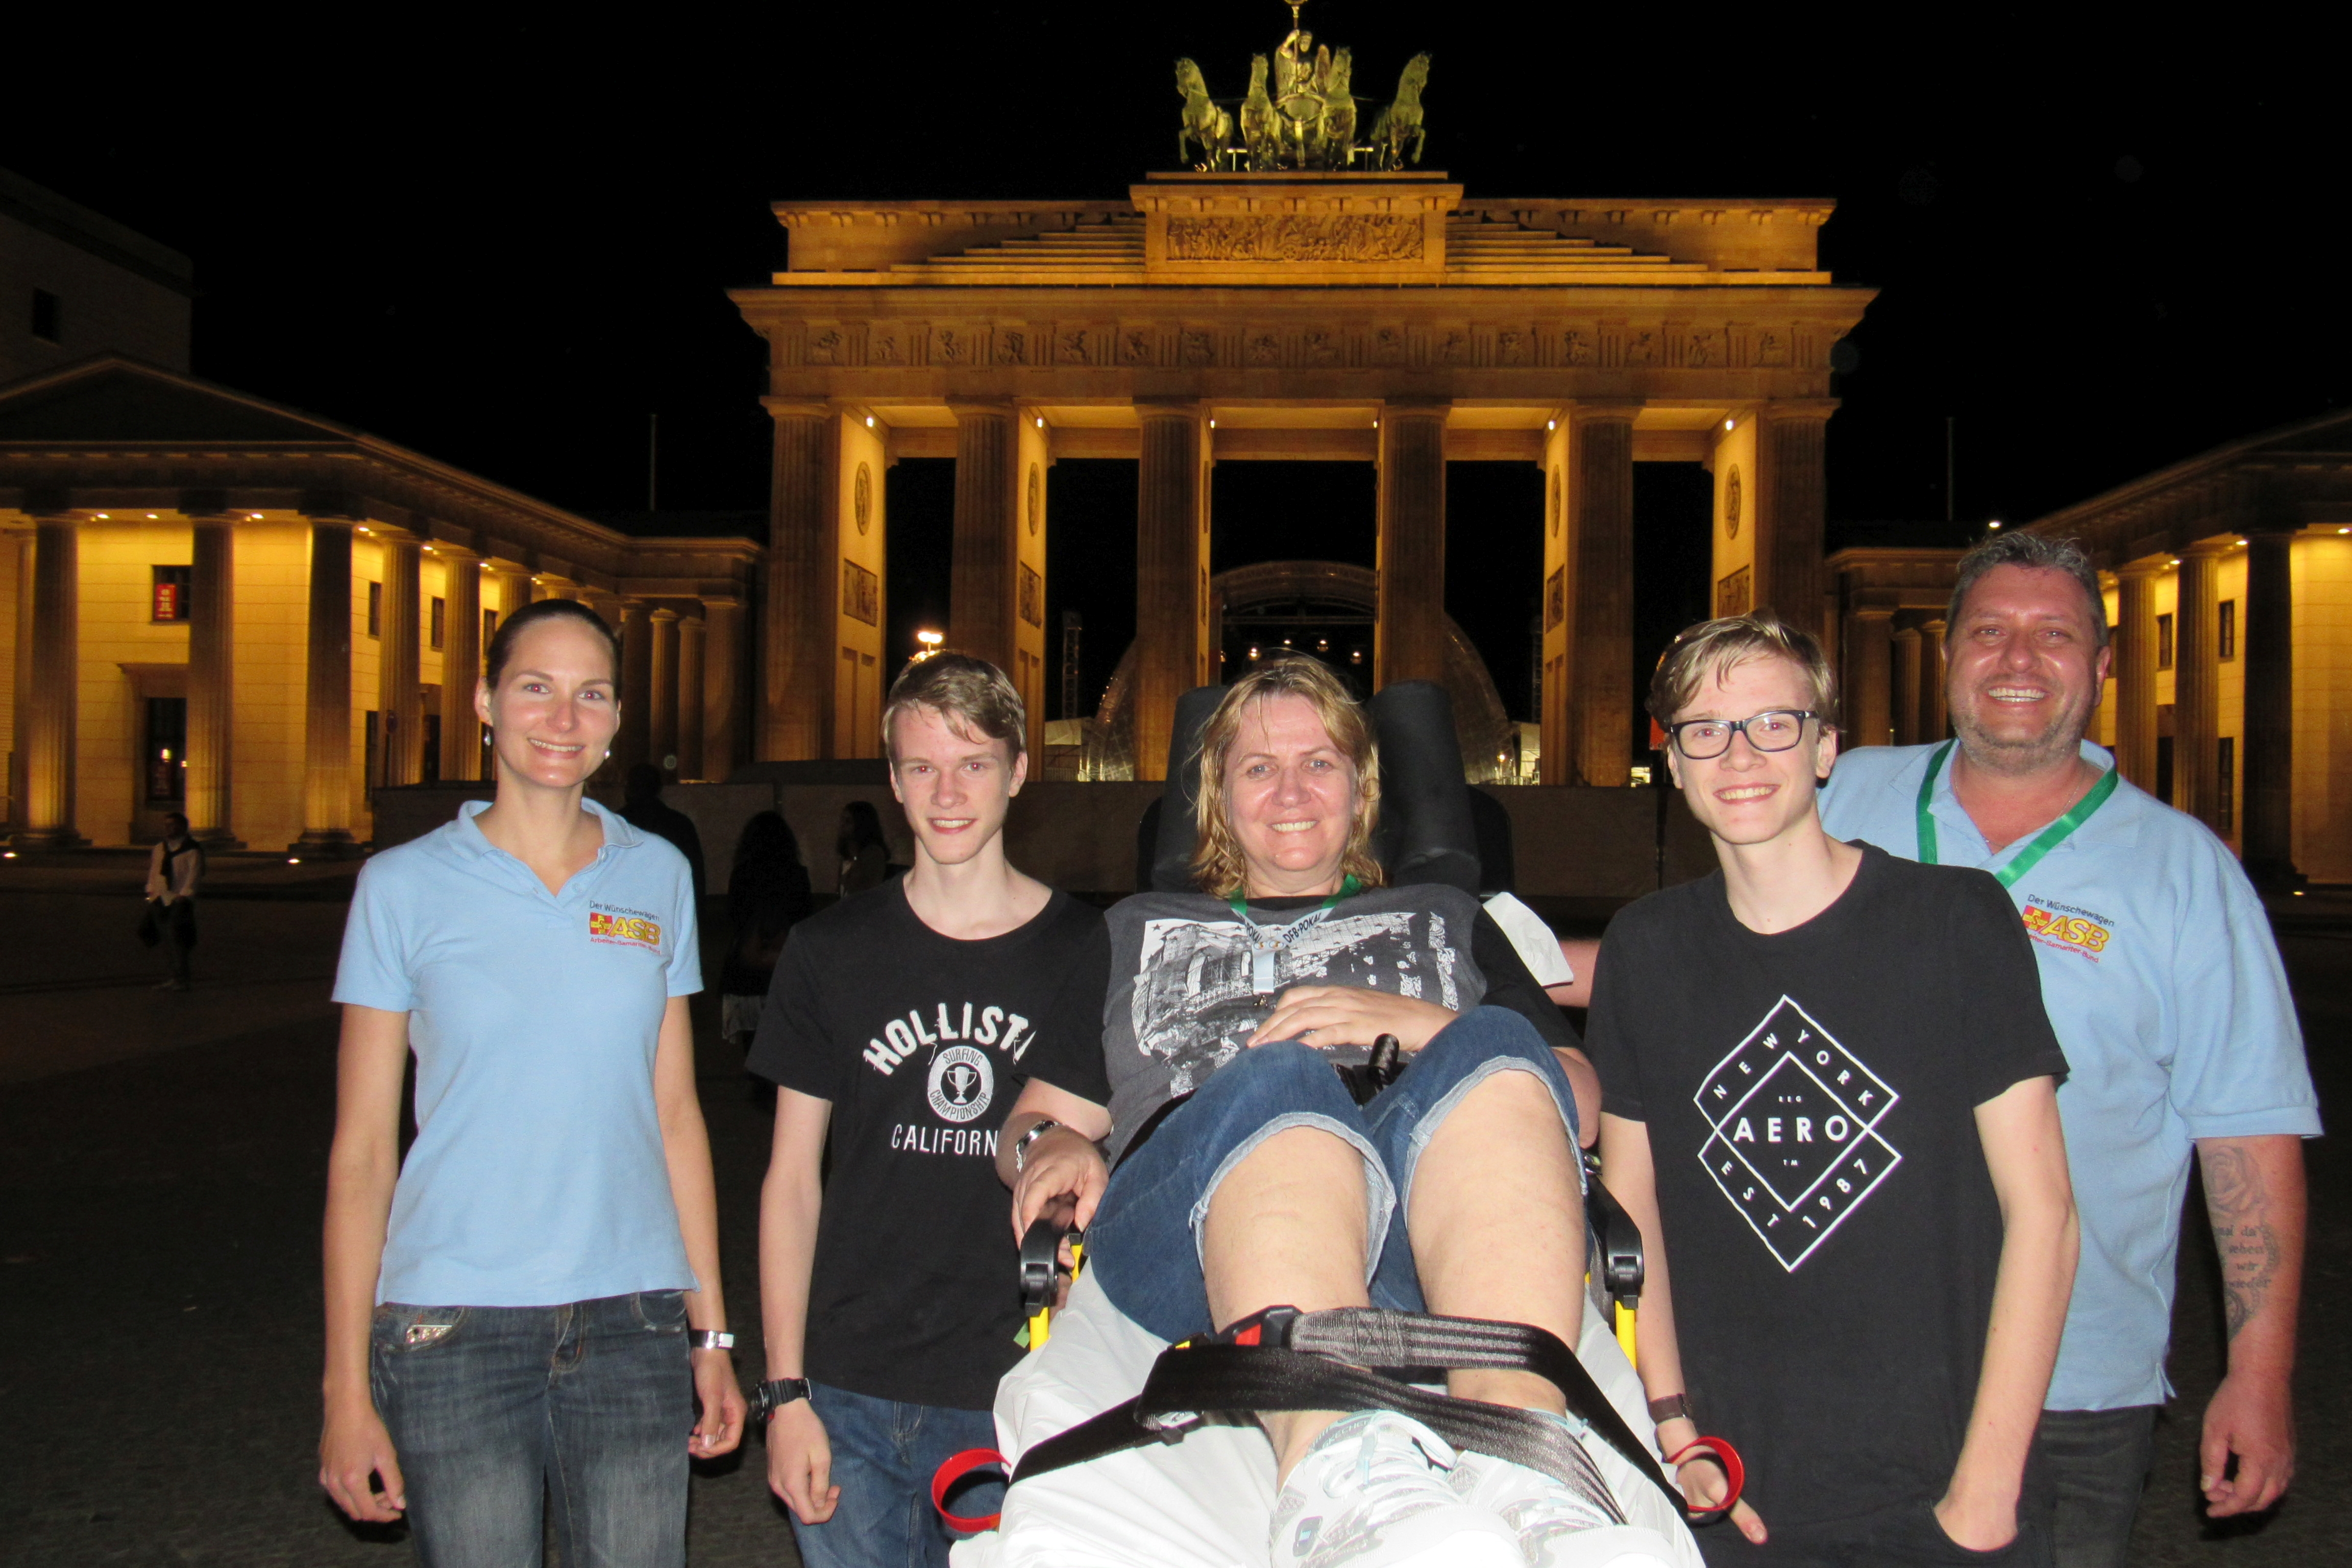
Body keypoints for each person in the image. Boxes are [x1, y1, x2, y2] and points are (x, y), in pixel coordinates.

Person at [1006, 656, 1657, 1568]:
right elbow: (1034, 1117)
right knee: (1282, 1078)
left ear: (1362, 790)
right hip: (1195, 1233)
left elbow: (1574, 1102)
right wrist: (1050, 1143)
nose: (1290, 791)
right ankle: (1339, 1476)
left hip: (1431, 1234)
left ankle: (1525, 1467)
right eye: (1257, 767)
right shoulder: (1131, 928)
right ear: (1216, 797)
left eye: (1319, 762)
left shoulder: (1445, 915)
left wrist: (1421, 1024)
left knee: (1496, 1041)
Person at [1817, 533, 2319, 1565]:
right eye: (1990, 632)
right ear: (1947, 652)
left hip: (2076, 1386)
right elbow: (1702, 961)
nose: (2017, 660)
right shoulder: (1839, 796)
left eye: (2055, 637)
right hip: (1830, 1356)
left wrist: (2259, 1375)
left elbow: (2248, 1137)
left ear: (2099, 668)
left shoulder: (2184, 872)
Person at [1584, 613, 2078, 1566]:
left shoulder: (1953, 922)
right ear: (1673, 763)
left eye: (1774, 722)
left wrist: (1983, 1488)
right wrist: (1670, 1419)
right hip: (1734, 1485)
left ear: (1824, 748)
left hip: (1940, 1485)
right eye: (1703, 728)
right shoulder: (1646, 949)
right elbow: (1630, 1205)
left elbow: (2044, 1214)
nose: (1739, 753)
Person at [318, 598, 747, 1567]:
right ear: (485, 702)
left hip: (634, 1314)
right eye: (535, 689)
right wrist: (346, 1390)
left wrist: (710, 1333)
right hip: (452, 1321)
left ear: (617, 719)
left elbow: (676, 1116)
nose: (562, 719)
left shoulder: (656, 876)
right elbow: (361, 1152)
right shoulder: (401, 886)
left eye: (589, 694)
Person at [751, 653, 1113, 1568]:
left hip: (1010, 1382)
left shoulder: (1087, 948)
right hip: (847, 1382)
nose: (947, 792)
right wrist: (784, 1391)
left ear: (1019, 772)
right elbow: (792, 1180)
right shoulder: (829, 950)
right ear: (893, 781)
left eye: (974, 764)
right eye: (921, 766)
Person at [719, 810, 811, 1051]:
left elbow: (734, 915)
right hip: (785, 965)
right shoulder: (797, 874)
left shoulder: (742, 873)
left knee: (752, 1040)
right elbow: (805, 916)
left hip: (748, 966)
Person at [620, 761, 707, 900]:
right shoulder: (680, 824)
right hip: (668, 903)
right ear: (659, 788)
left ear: (629, 787)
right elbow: (695, 876)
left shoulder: (617, 824)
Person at [141, 811, 202, 990]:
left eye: (173, 825)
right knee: (166, 940)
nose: (168, 829)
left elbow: (194, 874)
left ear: (183, 827)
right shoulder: (160, 848)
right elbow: (154, 871)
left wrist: (186, 895)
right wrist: (151, 893)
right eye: (166, 825)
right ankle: (173, 976)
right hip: (160, 898)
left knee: (179, 939)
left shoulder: (192, 850)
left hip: (178, 899)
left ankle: (183, 978)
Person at [835, 799, 892, 896]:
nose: (843, 825)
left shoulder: (873, 854)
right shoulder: (847, 854)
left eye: (848, 821)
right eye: (842, 820)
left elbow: (869, 888)